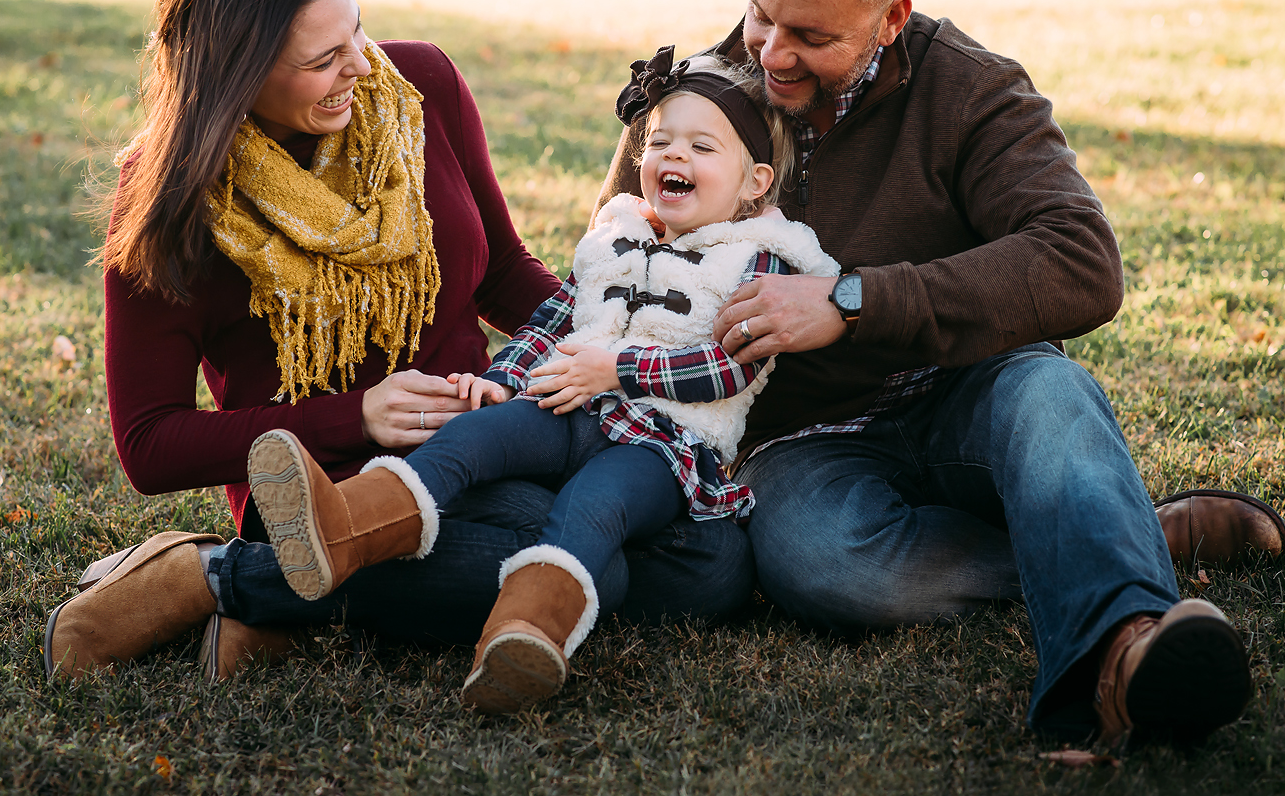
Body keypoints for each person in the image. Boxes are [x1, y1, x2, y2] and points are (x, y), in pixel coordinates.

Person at [594, 0, 1285, 745]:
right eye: (760, 14)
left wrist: (852, 299)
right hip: (802, 439)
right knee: (823, 565)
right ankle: (1124, 536)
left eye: (811, 34)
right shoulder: (694, 101)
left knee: (1051, 399)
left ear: (891, 20)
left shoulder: (972, 89)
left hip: (968, 386)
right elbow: (614, 270)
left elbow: (1083, 261)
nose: (769, 54)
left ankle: (1127, 647)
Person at [42, 0, 755, 682]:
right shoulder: (173, 199)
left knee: (707, 565)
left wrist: (610, 354)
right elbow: (149, 443)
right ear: (238, 77)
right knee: (586, 573)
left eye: (357, 31)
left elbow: (503, 271)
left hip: (482, 442)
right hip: (326, 483)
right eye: (323, 59)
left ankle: (271, 596)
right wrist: (358, 413)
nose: (360, 65)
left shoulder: (419, 90)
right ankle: (212, 572)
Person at [244, 47, 839, 713]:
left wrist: (618, 367)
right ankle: (346, 524)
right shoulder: (615, 236)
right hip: (566, 403)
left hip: (659, 447)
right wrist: (502, 378)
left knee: (594, 505)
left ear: (755, 180)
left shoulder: (756, 261)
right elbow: (551, 318)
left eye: (702, 146)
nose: (674, 156)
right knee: (474, 437)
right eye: (660, 140)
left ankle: (524, 634)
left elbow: (729, 365)